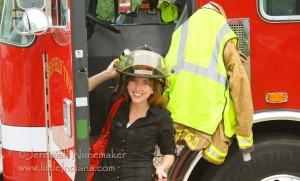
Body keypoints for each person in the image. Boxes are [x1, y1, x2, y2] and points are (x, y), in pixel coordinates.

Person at [164, 1, 254, 164]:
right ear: (221, 15)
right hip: (208, 121)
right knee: (215, 157)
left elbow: (167, 73)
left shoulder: (180, 30)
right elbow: (239, 84)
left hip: (178, 117)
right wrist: (245, 136)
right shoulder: (223, 30)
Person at [89, 47, 176, 181]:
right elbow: (80, 91)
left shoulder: (162, 117)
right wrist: (107, 74)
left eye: (145, 83)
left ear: (154, 89)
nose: (137, 88)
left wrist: (161, 168)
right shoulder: (116, 104)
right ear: (127, 84)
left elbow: (169, 153)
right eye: (134, 80)